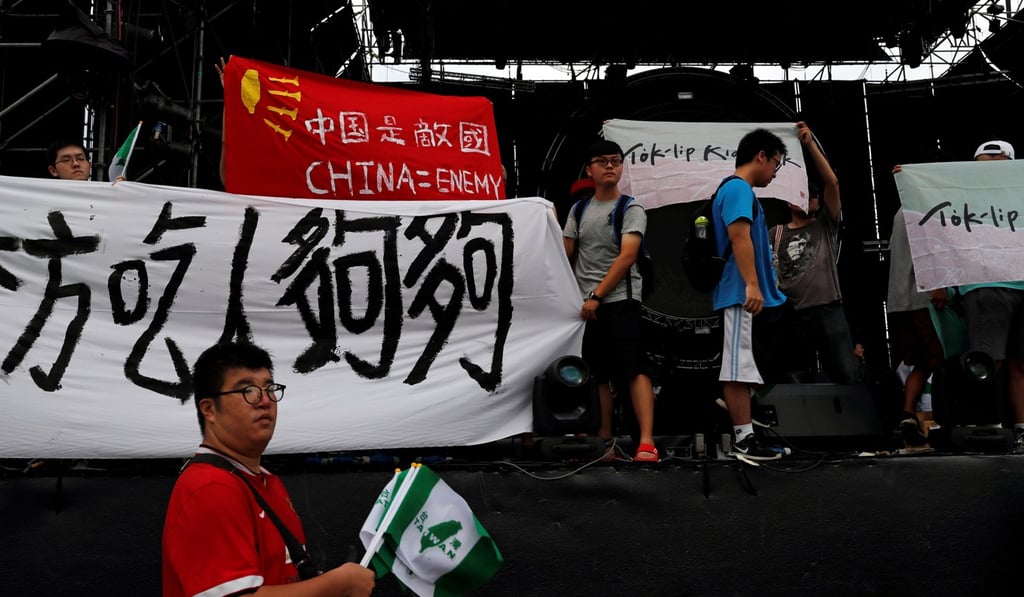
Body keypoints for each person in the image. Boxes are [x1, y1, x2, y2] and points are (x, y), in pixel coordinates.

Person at [162, 341, 376, 596]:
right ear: (209, 409)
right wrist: (337, 584)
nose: (265, 401)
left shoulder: (265, 481)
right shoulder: (210, 487)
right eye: (248, 391)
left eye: (269, 388)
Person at [562, 139, 658, 462]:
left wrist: (597, 295)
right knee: (598, 374)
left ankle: (646, 441)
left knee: (634, 369)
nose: (610, 166)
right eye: (602, 161)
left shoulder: (630, 208)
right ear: (589, 169)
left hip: (619, 301)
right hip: (589, 307)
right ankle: (605, 442)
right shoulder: (579, 210)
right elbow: (565, 255)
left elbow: (627, 256)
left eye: (616, 161)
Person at [711, 128, 789, 461]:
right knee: (737, 366)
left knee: (776, 349)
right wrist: (752, 285)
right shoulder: (739, 190)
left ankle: (741, 405)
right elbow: (738, 236)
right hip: (739, 293)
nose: (774, 171)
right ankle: (744, 439)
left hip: (752, 293)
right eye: (776, 163)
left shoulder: (741, 191)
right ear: (761, 156)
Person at [768, 121, 859, 384]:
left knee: (845, 373)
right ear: (789, 199)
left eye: (813, 195)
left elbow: (832, 182)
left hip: (828, 310)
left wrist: (809, 145)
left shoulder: (825, 225)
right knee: (794, 377)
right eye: (803, 194)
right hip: (792, 313)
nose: (810, 199)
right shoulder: (775, 233)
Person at [959, 140, 1024, 451]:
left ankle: (1021, 428)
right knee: (989, 362)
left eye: (996, 163)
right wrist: (911, 179)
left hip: (1020, 284)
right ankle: (990, 425)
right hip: (985, 285)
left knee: (1019, 363)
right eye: (981, 165)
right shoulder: (960, 195)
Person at [884, 191, 946, 447]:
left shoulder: (900, 213)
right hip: (923, 298)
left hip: (901, 299)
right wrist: (938, 286)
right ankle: (942, 419)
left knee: (920, 362)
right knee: (941, 358)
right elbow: (929, 249)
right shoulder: (925, 210)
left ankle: (908, 415)